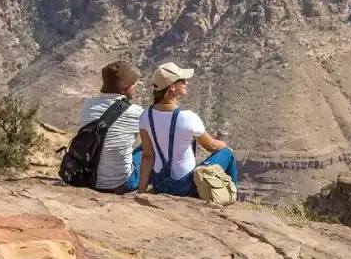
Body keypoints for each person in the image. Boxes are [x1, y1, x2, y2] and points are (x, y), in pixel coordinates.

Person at [137, 62, 237, 196]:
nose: (187, 83)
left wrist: (141, 192)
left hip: (159, 184)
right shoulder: (187, 117)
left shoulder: (145, 116)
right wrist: (223, 145)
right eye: (182, 80)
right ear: (172, 88)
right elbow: (211, 146)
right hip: (184, 186)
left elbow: (148, 156)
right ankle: (231, 196)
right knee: (227, 153)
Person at [78, 61, 144, 194]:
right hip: (122, 184)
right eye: (133, 83)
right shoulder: (135, 112)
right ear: (124, 87)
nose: (135, 86)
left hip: (89, 179)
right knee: (150, 147)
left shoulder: (88, 105)